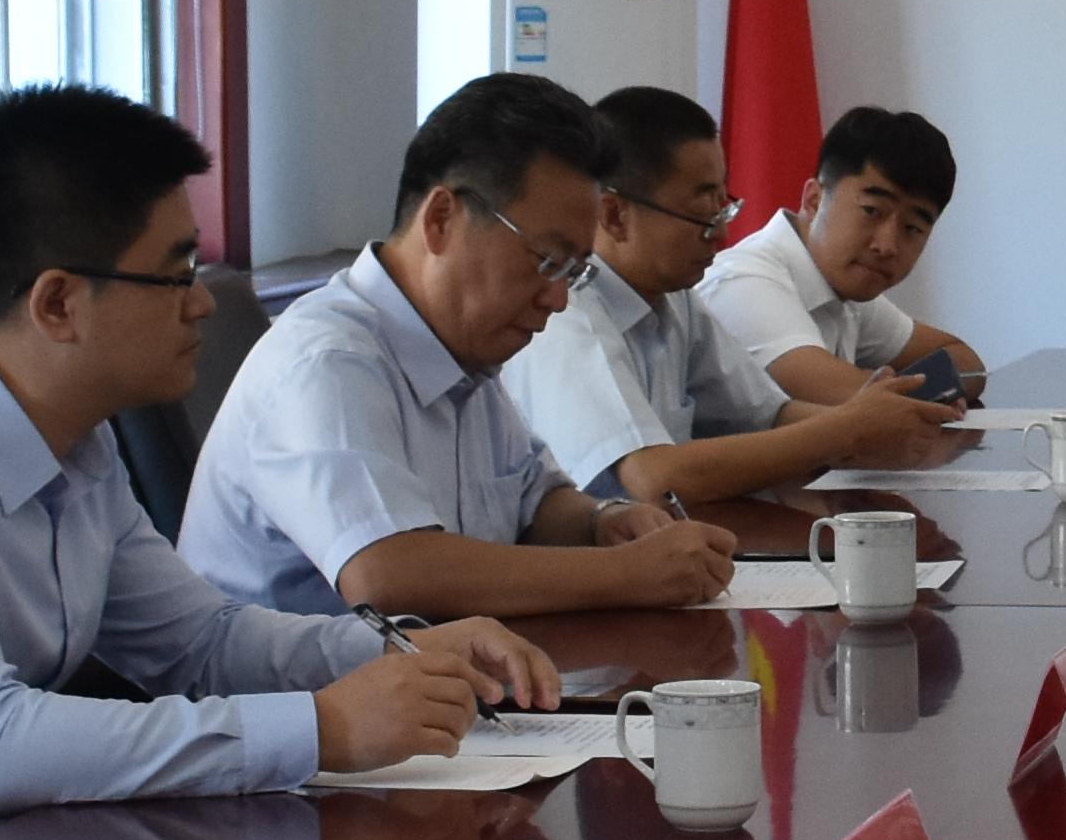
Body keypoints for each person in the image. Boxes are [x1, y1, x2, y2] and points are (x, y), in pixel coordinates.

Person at [0, 87, 543, 840]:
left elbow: (199, 643)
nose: (203, 303)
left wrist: (396, 647)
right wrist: (321, 728)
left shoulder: (76, 437)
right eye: (175, 275)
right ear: (57, 304)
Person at [179, 72, 741, 621]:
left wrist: (604, 523)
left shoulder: (463, 352)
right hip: (304, 682)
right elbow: (389, 576)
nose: (557, 299)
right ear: (442, 218)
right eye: (547, 260)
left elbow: (535, 502)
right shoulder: (328, 363)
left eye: (573, 271)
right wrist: (627, 574)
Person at [504, 84, 960, 507]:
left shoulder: (675, 298)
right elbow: (651, 478)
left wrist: (873, 426)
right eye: (702, 215)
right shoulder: (566, 314)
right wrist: (847, 430)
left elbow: (770, 415)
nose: (722, 235)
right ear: (615, 215)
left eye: (724, 208)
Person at [699, 104, 990, 408]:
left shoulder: (843, 284)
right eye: (871, 211)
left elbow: (969, 366)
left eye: (912, 228)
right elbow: (857, 403)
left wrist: (910, 395)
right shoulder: (743, 281)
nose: (887, 246)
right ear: (813, 200)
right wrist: (932, 393)